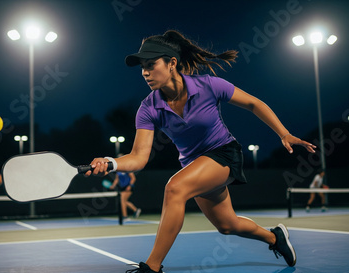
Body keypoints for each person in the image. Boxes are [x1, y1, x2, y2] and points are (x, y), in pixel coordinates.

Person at [86, 30, 316, 273]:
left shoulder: (208, 85)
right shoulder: (148, 108)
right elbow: (138, 157)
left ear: (172, 63)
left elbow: (253, 103)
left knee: (175, 188)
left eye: (151, 65)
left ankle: (151, 267)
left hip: (224, 154)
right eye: (142, 67)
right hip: (195, 166)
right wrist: (111, 162)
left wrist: (283, 133)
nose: (145, 72)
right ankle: (275, 238)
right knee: (227, 225)